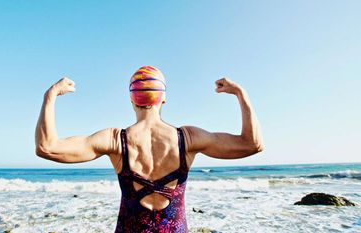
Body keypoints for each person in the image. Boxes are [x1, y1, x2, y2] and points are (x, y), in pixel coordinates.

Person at [35, 66, 263, 233]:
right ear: (163, 99)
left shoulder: (116, 140)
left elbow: (47, 148)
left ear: (132, 100)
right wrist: (241, 94)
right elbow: (252, 144)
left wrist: (51, 95)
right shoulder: (188, 138)